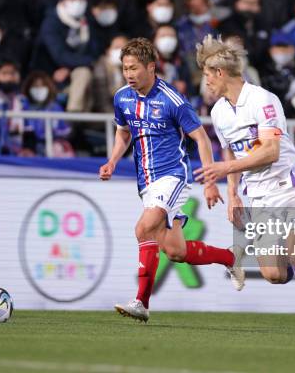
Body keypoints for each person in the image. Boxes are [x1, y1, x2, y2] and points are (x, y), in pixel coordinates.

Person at [194, 35, 295, 338]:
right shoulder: (218, 112)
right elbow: (229, 150)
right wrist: (232, 194)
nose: (205, 83)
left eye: (206, 76)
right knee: (274, 275)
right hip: (256, 193)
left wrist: (224, 169)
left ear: (220, 73)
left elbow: (270, 151)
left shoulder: (263, 100)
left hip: (285, 182)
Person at [98, 37, 239, 322]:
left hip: (173, 176)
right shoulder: (122, 97)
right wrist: (113, 160)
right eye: (125, 68)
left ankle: (141, 302)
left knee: (143, 229)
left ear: (151, 67)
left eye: (134, 68)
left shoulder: (172, 99)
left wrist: (210, 181)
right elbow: (123, 131)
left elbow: (200, 138)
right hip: (146, 182)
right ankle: (231, 258)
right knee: (175, 251)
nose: (129, 74)